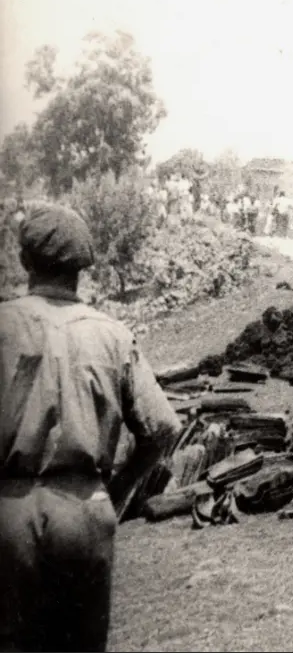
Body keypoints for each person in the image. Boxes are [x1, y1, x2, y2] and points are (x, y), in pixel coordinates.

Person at [0, 202, 181, 652]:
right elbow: (162, 428)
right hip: (84, 511)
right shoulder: (111, 334)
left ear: (24, 259)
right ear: (83, 266)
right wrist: (119, 488)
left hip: (9, 512)